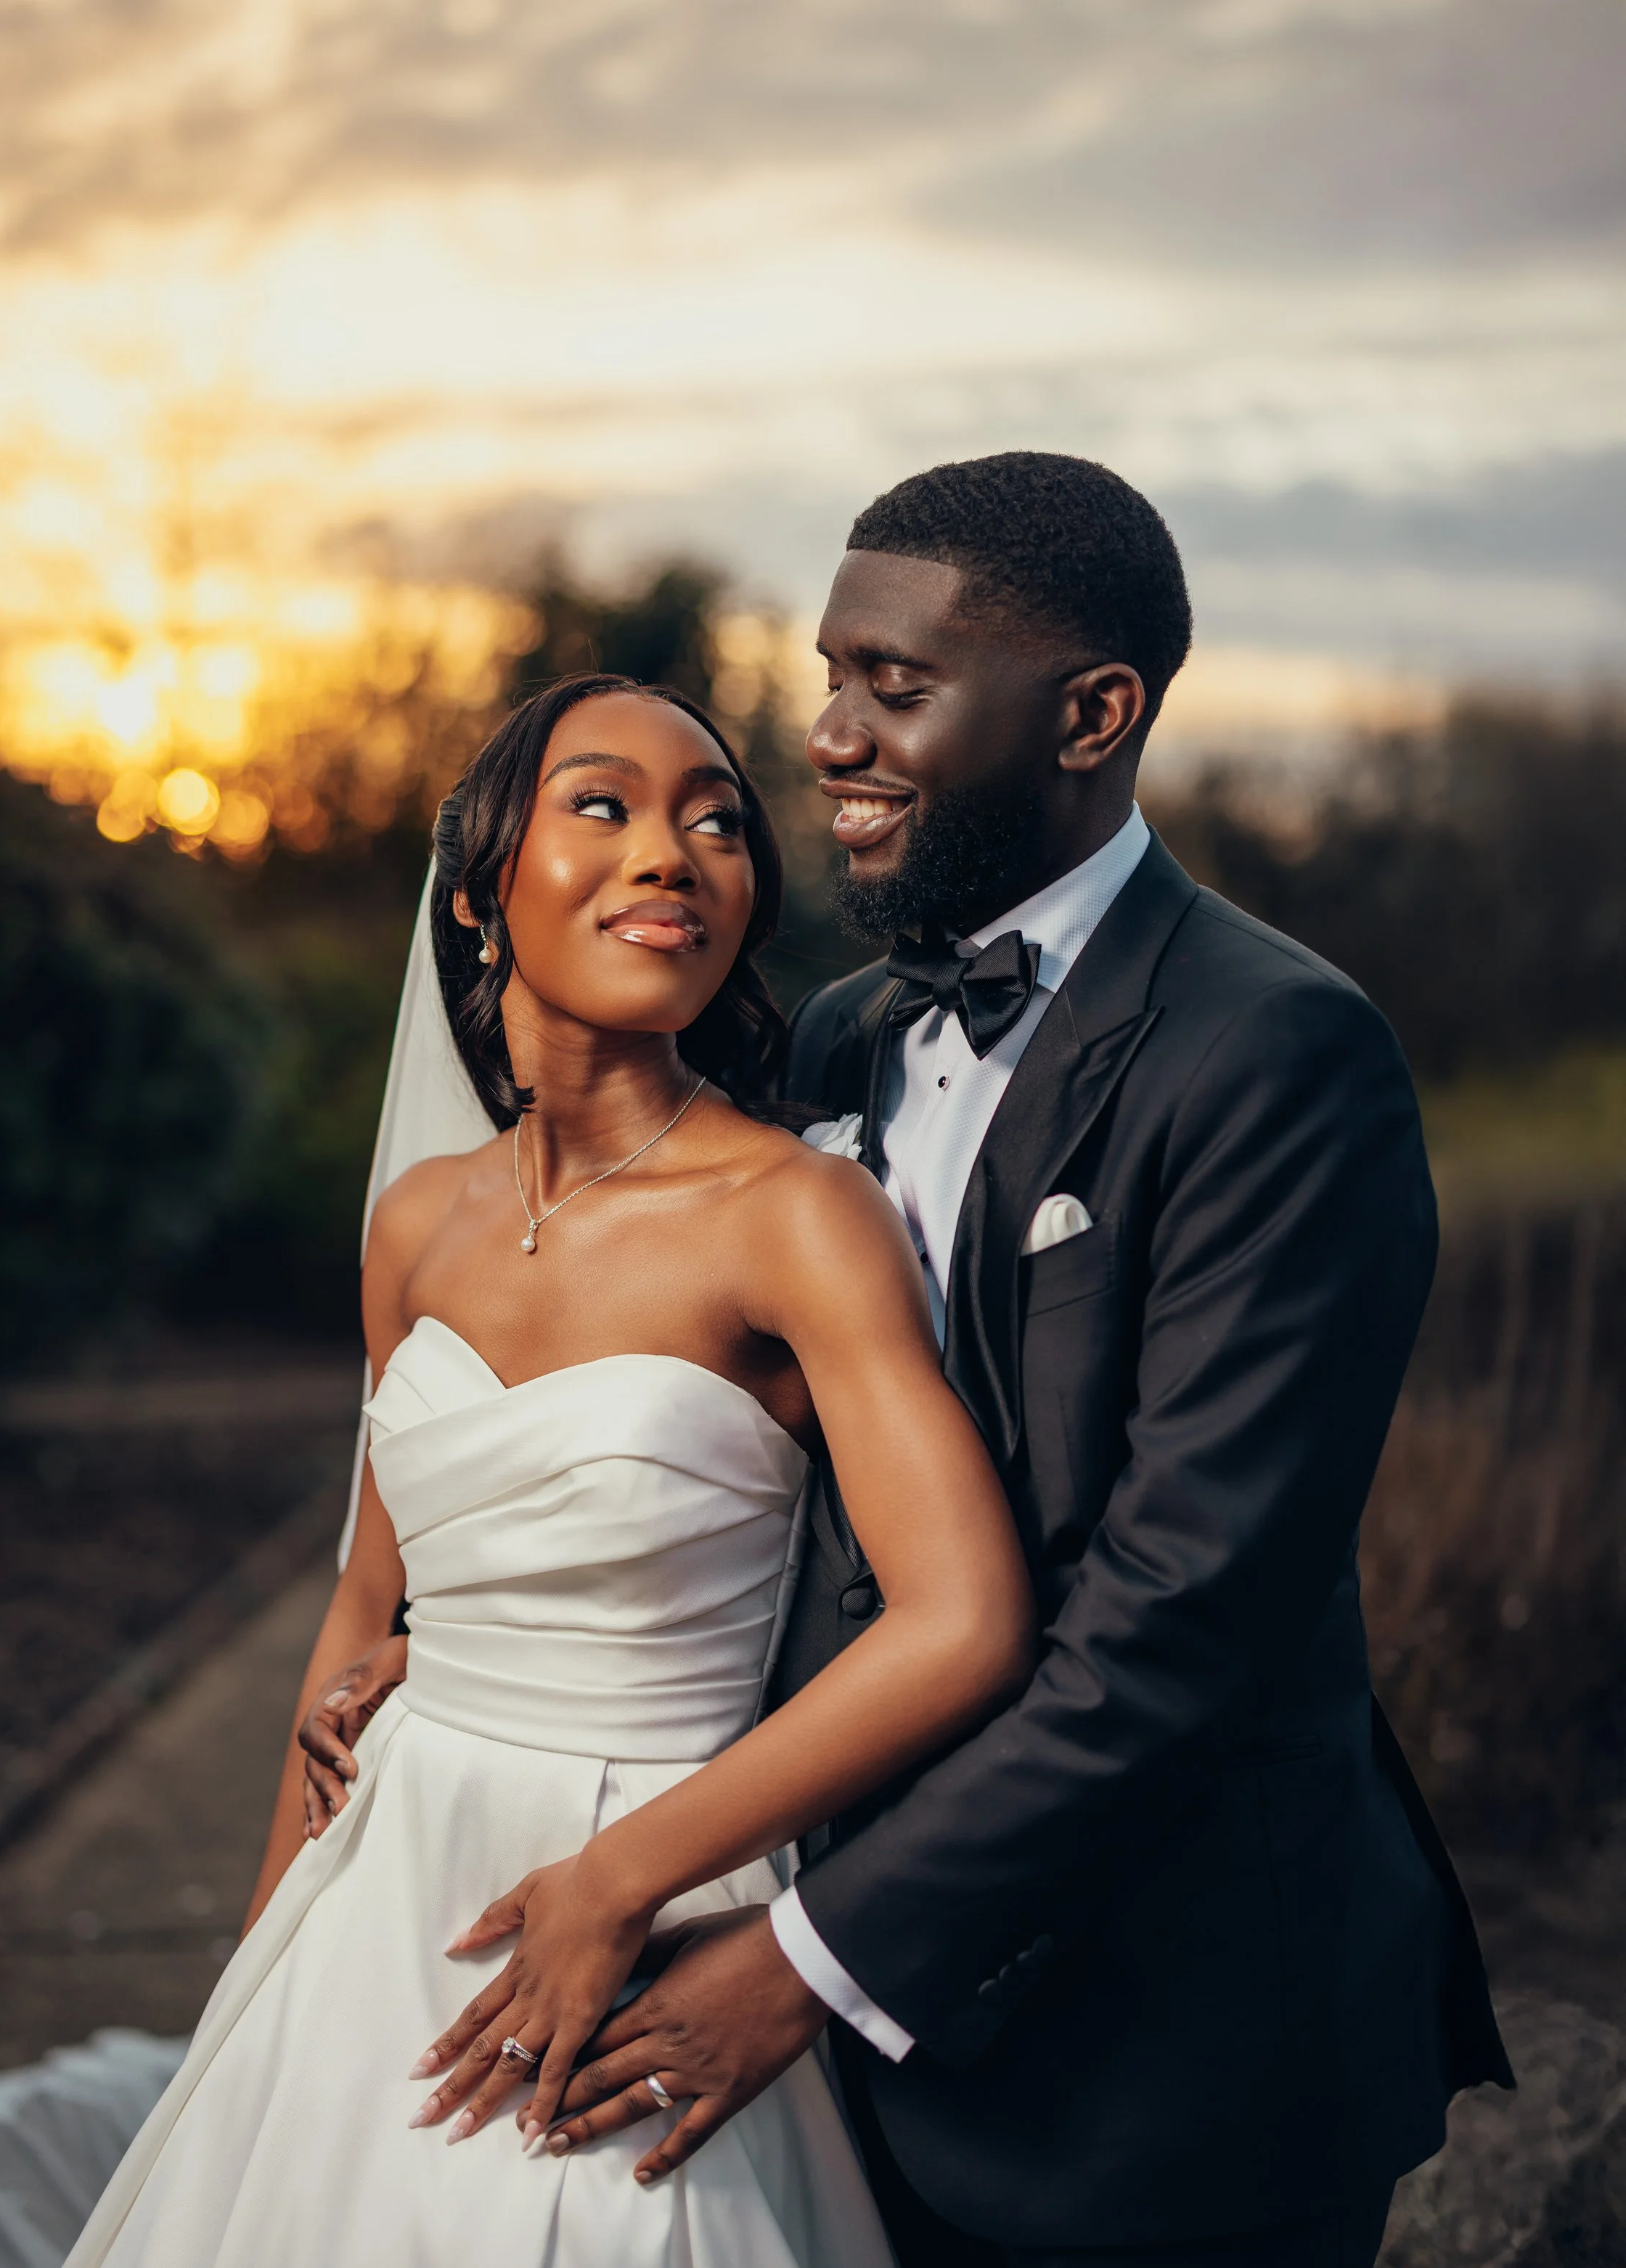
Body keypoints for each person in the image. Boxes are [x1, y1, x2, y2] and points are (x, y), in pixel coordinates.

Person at [343, 454, 1511, 2268]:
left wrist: (804, 1965)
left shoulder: (1275, 1053)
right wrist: (461, 1631)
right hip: (848, 2038)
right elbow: (738, 1432)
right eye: (829, 678)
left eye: (895, 686)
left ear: (1089, 712)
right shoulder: (845, 1030)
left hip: (1163, 2046)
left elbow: (1177, 1620)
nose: (827, 733)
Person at [64, 671, 1038, 2268]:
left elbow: (964, 1621)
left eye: (716, 822)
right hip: (381, 1886)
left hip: (643, 1883)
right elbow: (363, 1602)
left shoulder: (793, 1212)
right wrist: (256, 1973)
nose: (674, 851)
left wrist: (619, 1877)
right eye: (605, 804)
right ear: (476, 895)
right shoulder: (414, 1222)